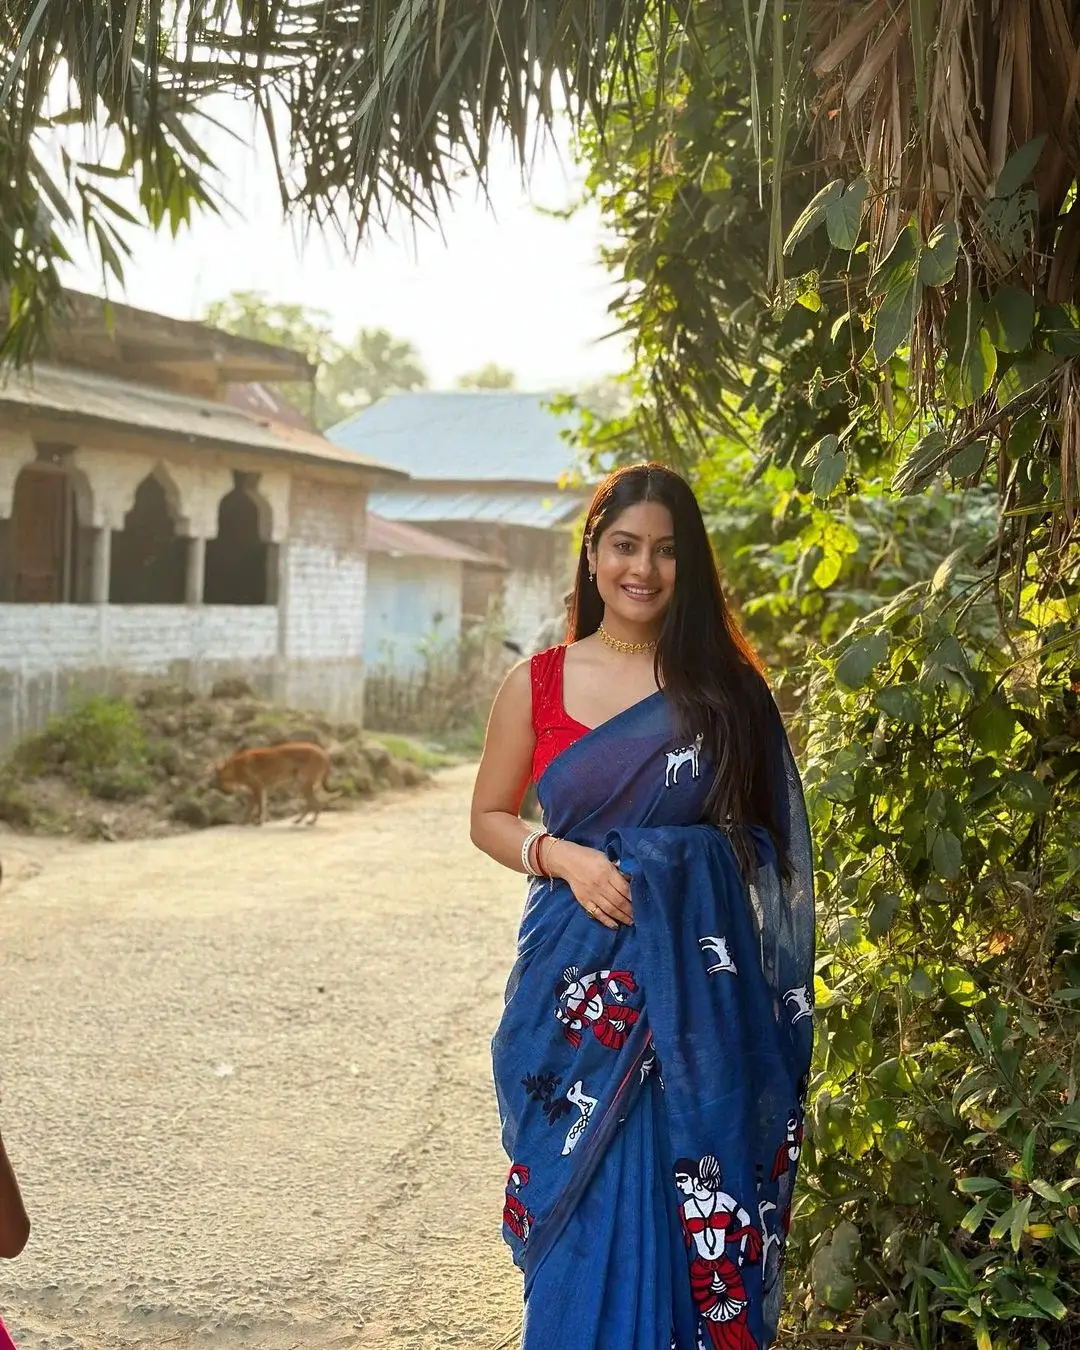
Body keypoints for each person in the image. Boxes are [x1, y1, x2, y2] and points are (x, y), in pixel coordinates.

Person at [470, 463, 815, 1349]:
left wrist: (675, 865)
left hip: (691, 1010)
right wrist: (564, 857)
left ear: (686, 566)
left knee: (683, 1215)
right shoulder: (536, 685)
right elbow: (488, 818)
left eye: (666, 551)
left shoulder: (726, 694)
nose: (644, 569)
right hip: (571, 996)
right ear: (592, 556)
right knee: (575, 1228)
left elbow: (768, 850)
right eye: (625, 546)